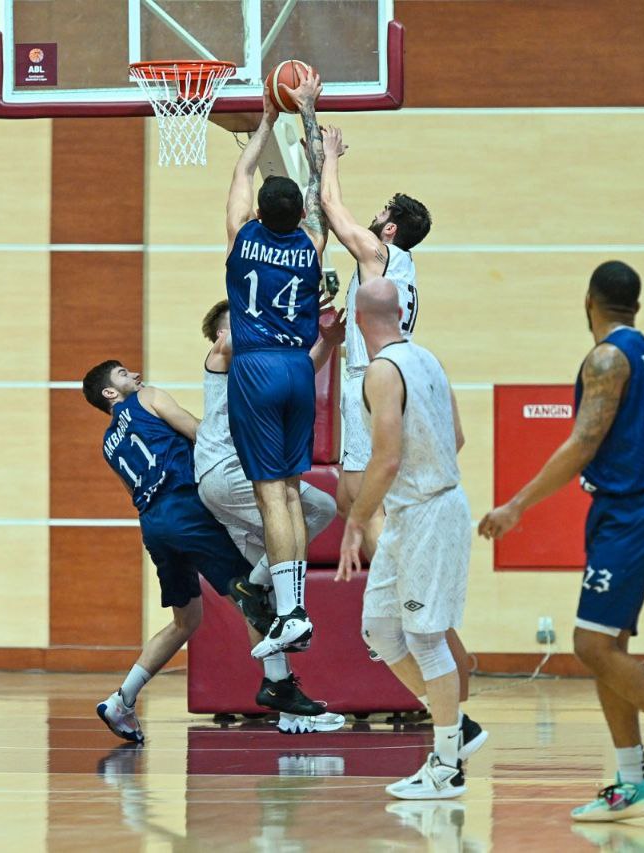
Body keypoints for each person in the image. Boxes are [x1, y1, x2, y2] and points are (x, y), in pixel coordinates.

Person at [478, 260, 644, 821]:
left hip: (634, 509)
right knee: (609, 649)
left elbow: (582, 443)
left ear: (588, 301)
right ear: (634, 305)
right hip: (628, 508)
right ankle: (633, 782)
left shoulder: (608, 357)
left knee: (590, 645)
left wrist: (516, 505)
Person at [316, 124, 477, 720]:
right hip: (383, 375)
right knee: (349, 497)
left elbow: (333, 210)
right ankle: (423, 610)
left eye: (382, 212)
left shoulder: (380, 255)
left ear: (389, 229)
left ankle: (417, 604)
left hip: (373, 379)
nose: (374, 216)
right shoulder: (402, 266)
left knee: (359, 498)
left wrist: (328, 157)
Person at [83, 360, 330, 742]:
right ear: (110, 393)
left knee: (186, 620)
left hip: (154, 524)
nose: (135, 375)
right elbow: (199, 433)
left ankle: (121, 700)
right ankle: (286, 705)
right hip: (186, 508)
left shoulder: (107, 445)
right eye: (123, 374)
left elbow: (132, 489)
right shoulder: (148, 397)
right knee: (254, 597)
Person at [336, 278, 482, 801]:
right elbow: (457, 437)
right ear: (400, 313)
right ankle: (457, 727)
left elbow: (387, 458)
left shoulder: (381, 371)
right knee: (379, 630)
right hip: (413, 512)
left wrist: (357, 520)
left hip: (428, 514)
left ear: (357, 321)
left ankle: (446, 767)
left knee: (424, 638)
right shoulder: (429, 359)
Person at [195, 298, 341, 718]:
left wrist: (328, 342)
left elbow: (303, 368)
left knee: (274, 591)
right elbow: (235, 340)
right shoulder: (222, 355)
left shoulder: (259, 365)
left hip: (229, 481)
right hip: (228, 473)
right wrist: (283, 306)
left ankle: (277, 686)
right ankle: (252, 585)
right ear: (224, 331)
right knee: (320, 507)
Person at [223, 74, 328, 658]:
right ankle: (294, 609)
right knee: (290, 491)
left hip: (257, 368)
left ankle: (290, 613)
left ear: (261, 211)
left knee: (270, 497)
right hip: (299, 369)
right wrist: (307, 113)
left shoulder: (243, 237)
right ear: (299, 214)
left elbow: (243, 172)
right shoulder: (312, 241)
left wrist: (268, 118)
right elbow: (318, 182)